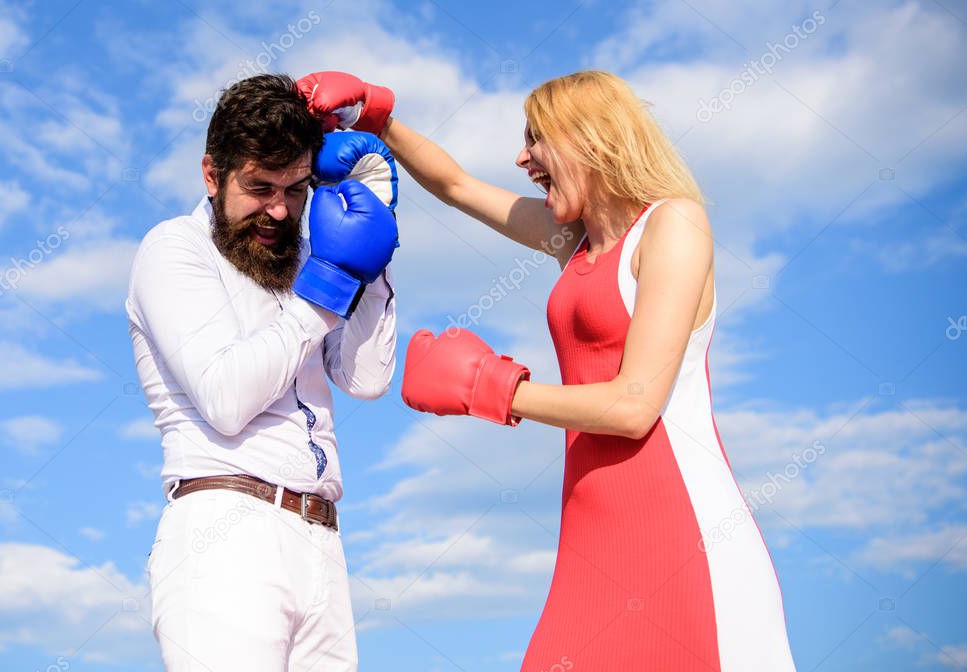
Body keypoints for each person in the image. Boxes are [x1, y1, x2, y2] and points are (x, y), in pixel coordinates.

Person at [299, 70, 797, 670]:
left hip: (683, 533)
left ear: (590, 139)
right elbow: (456, 184)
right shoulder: (574, 240)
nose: (522, 157)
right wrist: (376, 118)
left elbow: (634, 406)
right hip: (591, 543)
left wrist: (488, 386)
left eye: (537, 139)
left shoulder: (673, 224)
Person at [126, 73, 399, 671]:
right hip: (225, 532)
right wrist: (329, 284)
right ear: (211, 174)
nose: (279, 209)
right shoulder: (173, 249)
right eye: (259, 187)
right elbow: (225, 399)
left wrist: (370, 259)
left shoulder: (302, 258)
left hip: (321, 540)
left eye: (296, 189)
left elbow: (368, 379)